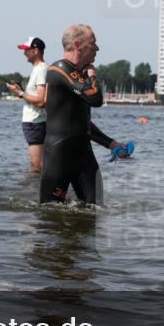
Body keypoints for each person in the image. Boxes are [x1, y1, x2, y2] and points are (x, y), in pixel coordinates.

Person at [39, 24, 129, 204]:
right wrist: (92, 75)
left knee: (96, 209)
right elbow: (95, 98)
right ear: (78, 45)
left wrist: (110, 143)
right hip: (60, 154)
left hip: (83, 153)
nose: (97, 48)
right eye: (93, 42)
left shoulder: (78, 76)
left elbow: (80, 122)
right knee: (50, 215)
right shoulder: (58, 69)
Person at [5, 37, 48, 172]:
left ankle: (36, 191)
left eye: (26, 50)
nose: (24, 53)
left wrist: (21, 93)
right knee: (38, 163)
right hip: (36, 122)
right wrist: (21, 91)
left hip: (35, 122)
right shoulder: (38, 69)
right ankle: (35, 190)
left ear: (35, 51)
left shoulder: (41, 70)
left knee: (37, 165)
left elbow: (41, 101)